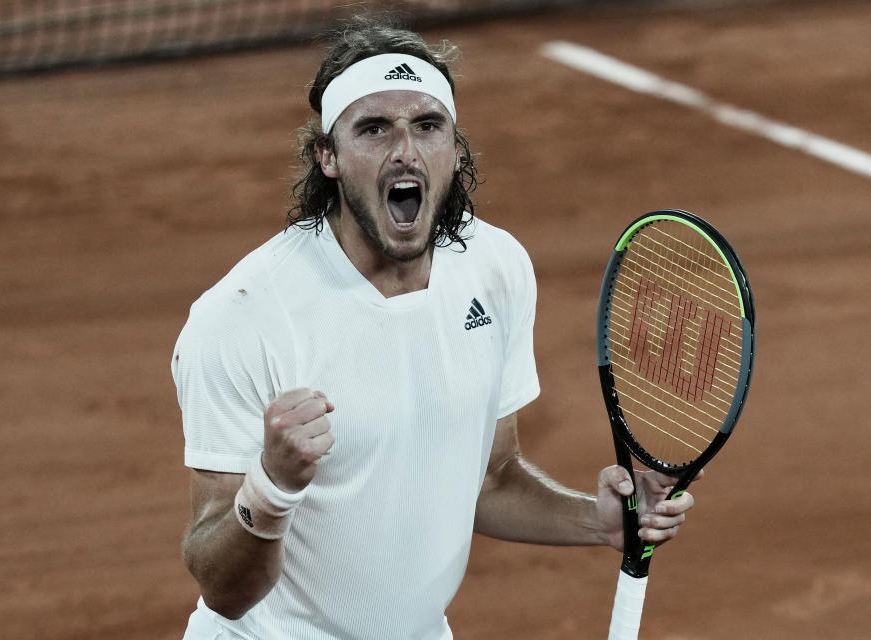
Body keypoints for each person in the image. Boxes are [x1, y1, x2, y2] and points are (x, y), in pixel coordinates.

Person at [171, 16, 695, 640]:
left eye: (427, 125)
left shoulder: (495, 270)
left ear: (454, 145)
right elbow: (224, 591)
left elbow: (493, 477)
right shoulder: (243, 316)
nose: (405, 151)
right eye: (373, 129)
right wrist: (273, 485)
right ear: (328, 158)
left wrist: (598, 521)